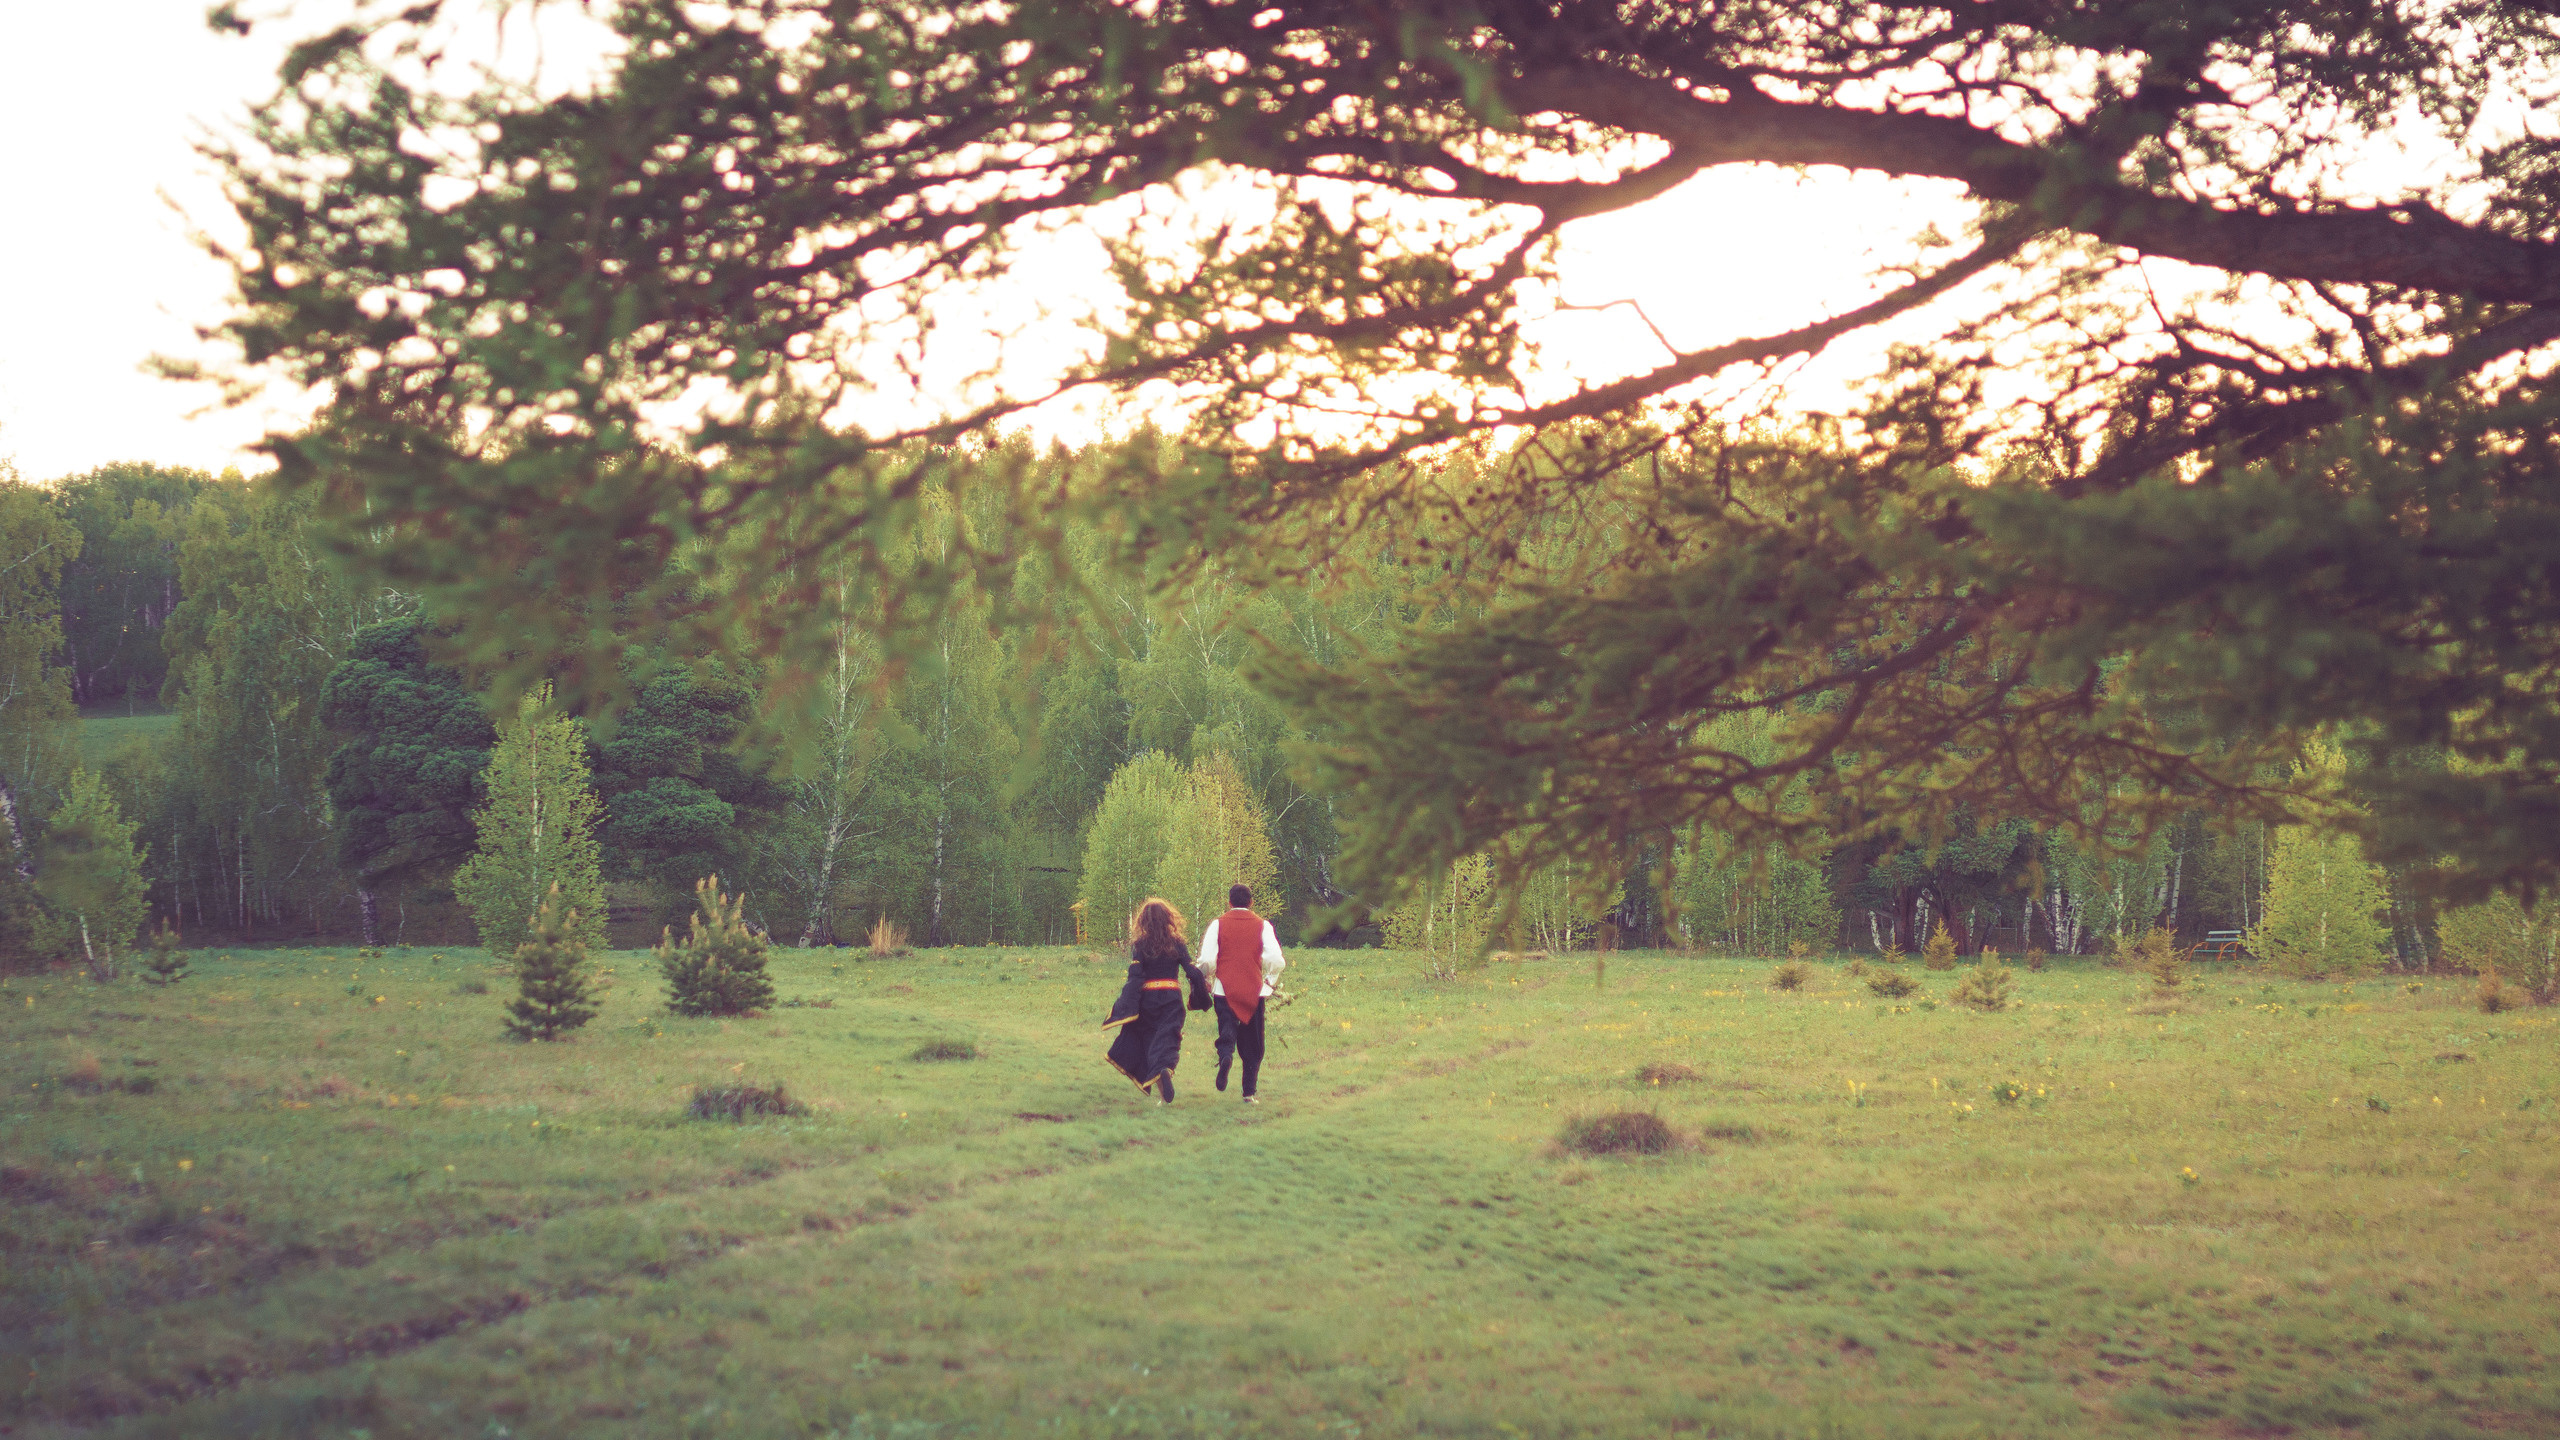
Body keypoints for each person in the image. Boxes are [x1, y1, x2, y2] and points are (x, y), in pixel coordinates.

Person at [1101, 898, 1207, 1104]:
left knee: (1150, 1043)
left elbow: (1135, 976)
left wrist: (1126, 1004)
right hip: (1172, 999)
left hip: (1148, 1000)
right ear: (1168, 918)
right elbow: (1191, 972)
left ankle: (1162, 1090)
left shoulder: (1140, 944)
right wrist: (1202, 994)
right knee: (1167, 1041)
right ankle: (1164, 1074)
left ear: (1144, 921)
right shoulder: (1177, 943)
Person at [1198, 884, 1285, 1103]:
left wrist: (1206, 979)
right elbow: (1276, 959)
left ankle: (1226, 1055)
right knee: (1253, 1043)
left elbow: (1207, 960)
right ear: (1251, 902)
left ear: (1229, 902)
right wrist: (1271, 980)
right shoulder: (1263, 925)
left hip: (1223, 989)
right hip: (1253, 991)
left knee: (1227, 1030)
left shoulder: (1217, 925)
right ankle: (1249, 1093)